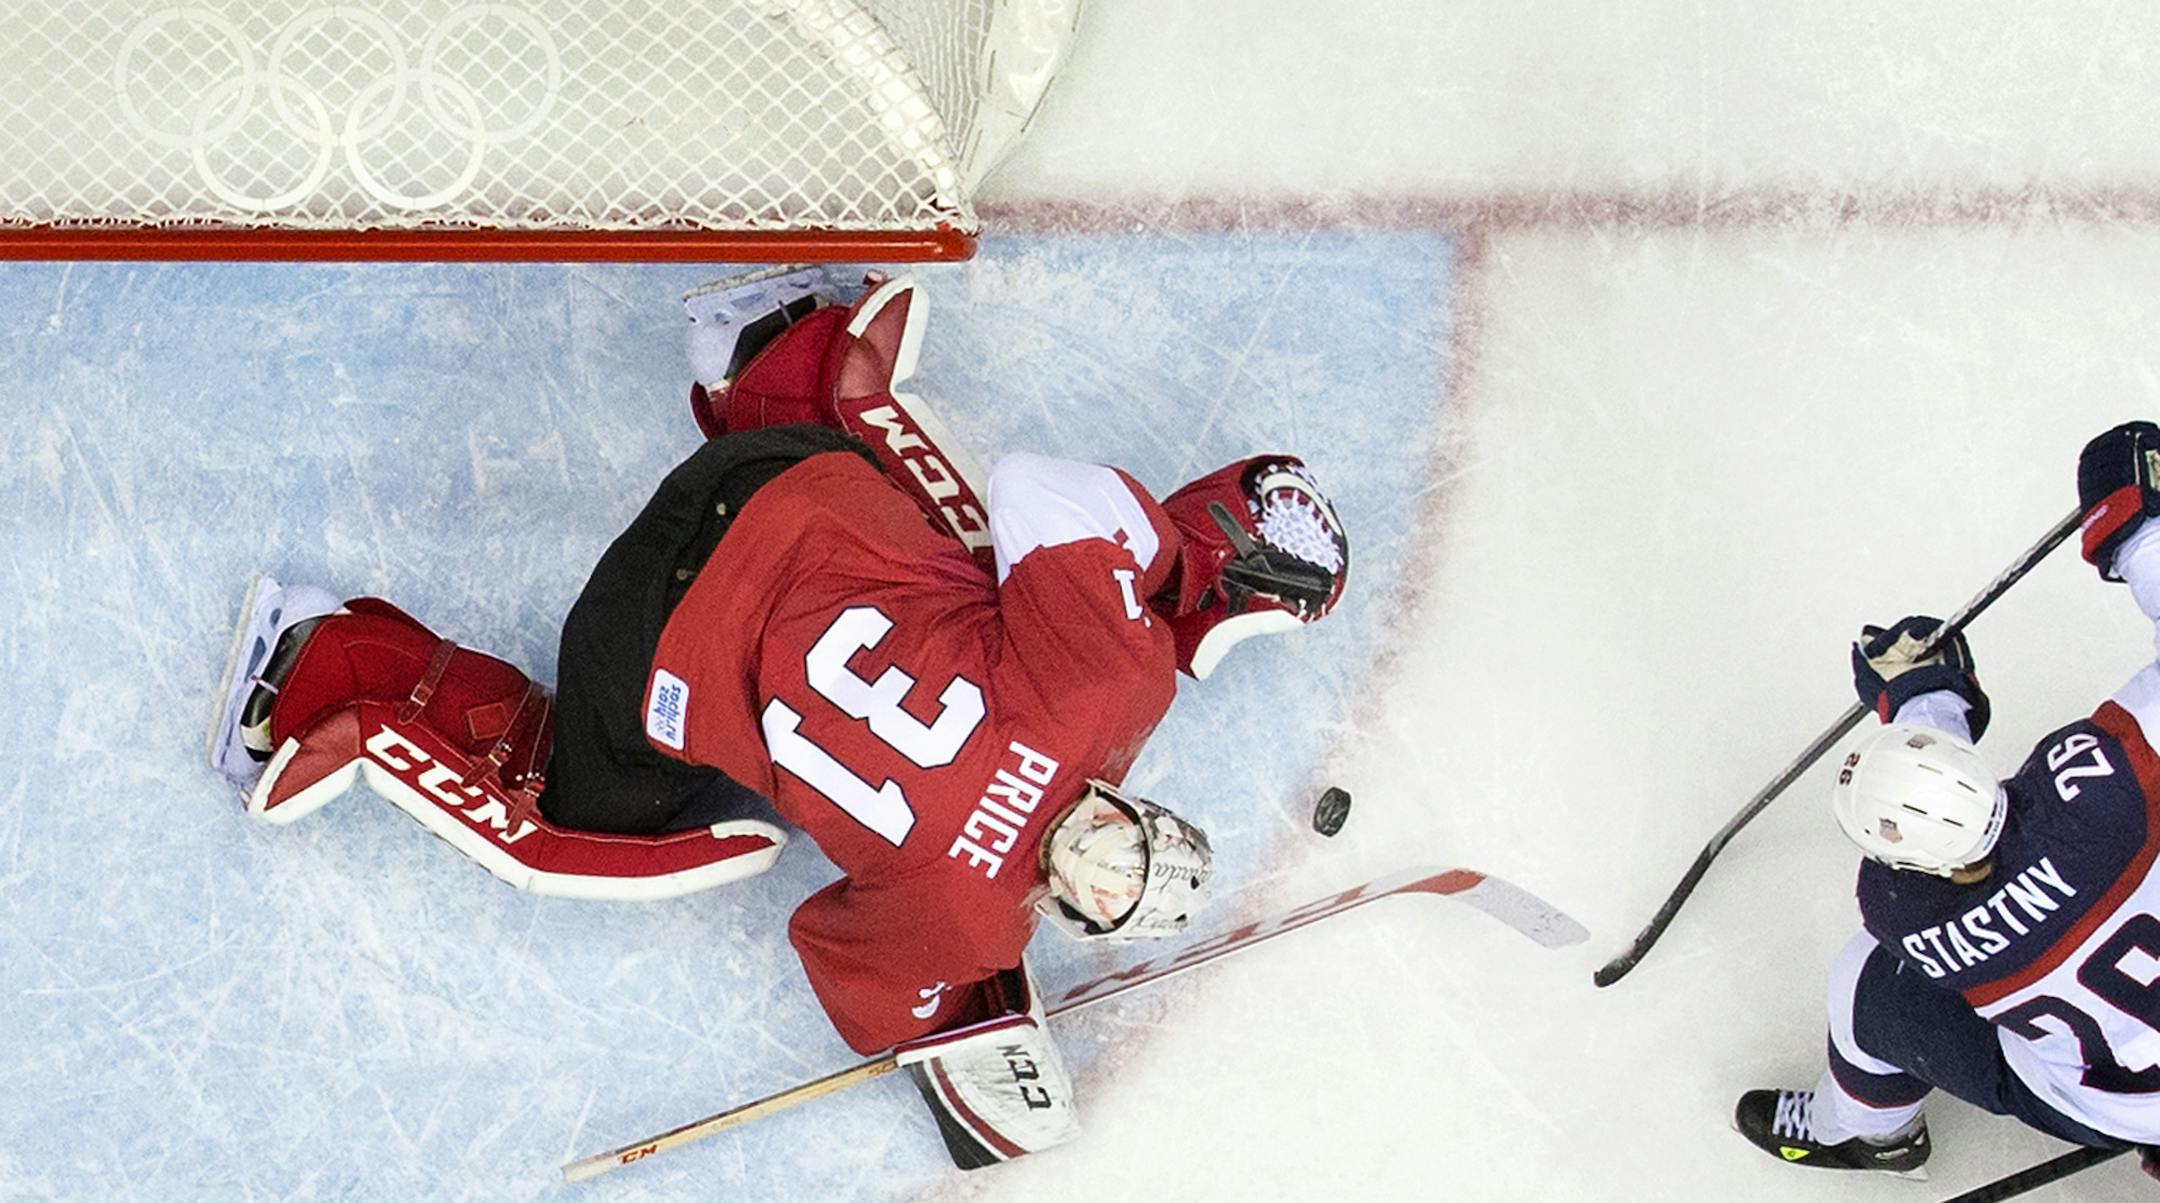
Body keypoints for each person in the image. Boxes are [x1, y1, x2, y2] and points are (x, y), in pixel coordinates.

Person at [204, 268, 1352, 1170]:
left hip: (773, 474)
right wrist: (971, 1007)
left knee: (982, 575)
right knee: (585, 810)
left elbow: (1040, 492)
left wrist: (1169, 569)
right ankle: (318, 666)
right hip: (635, 638)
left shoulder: (1113, 684)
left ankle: (780, 353)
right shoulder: (964, 924)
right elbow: (839, 949)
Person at [1734, 420, 2160, 1178]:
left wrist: (1925, 698)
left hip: (2113, 1099)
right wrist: (2137, 530)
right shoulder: (2109, 798)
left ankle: (1867, 1133)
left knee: (1862, 989)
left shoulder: (1903, 911)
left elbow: (1974, 867)